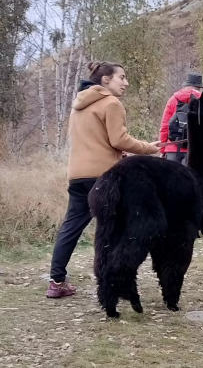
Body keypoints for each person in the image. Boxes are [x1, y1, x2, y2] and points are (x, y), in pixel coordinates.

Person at [46, 61, 161, 299]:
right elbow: (119, 139)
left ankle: (56, 281)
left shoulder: (78, 105)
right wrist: (147, 148)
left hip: (77, 175)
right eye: (122, 77)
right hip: (105, 178)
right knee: (117, 228)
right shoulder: (111, 103)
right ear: (106, 80)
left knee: (71, 227)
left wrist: (120, 153)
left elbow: (98, 140)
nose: (126, 83)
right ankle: (115, 280)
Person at [159, 72, 203, 164]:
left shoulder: (173, 99)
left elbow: (165, 126)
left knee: (172, 178)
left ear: (186, 85)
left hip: (172, 148)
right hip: (194, 150)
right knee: (191, 177)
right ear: (199, 87)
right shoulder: (202, 101)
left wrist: (162, 149)